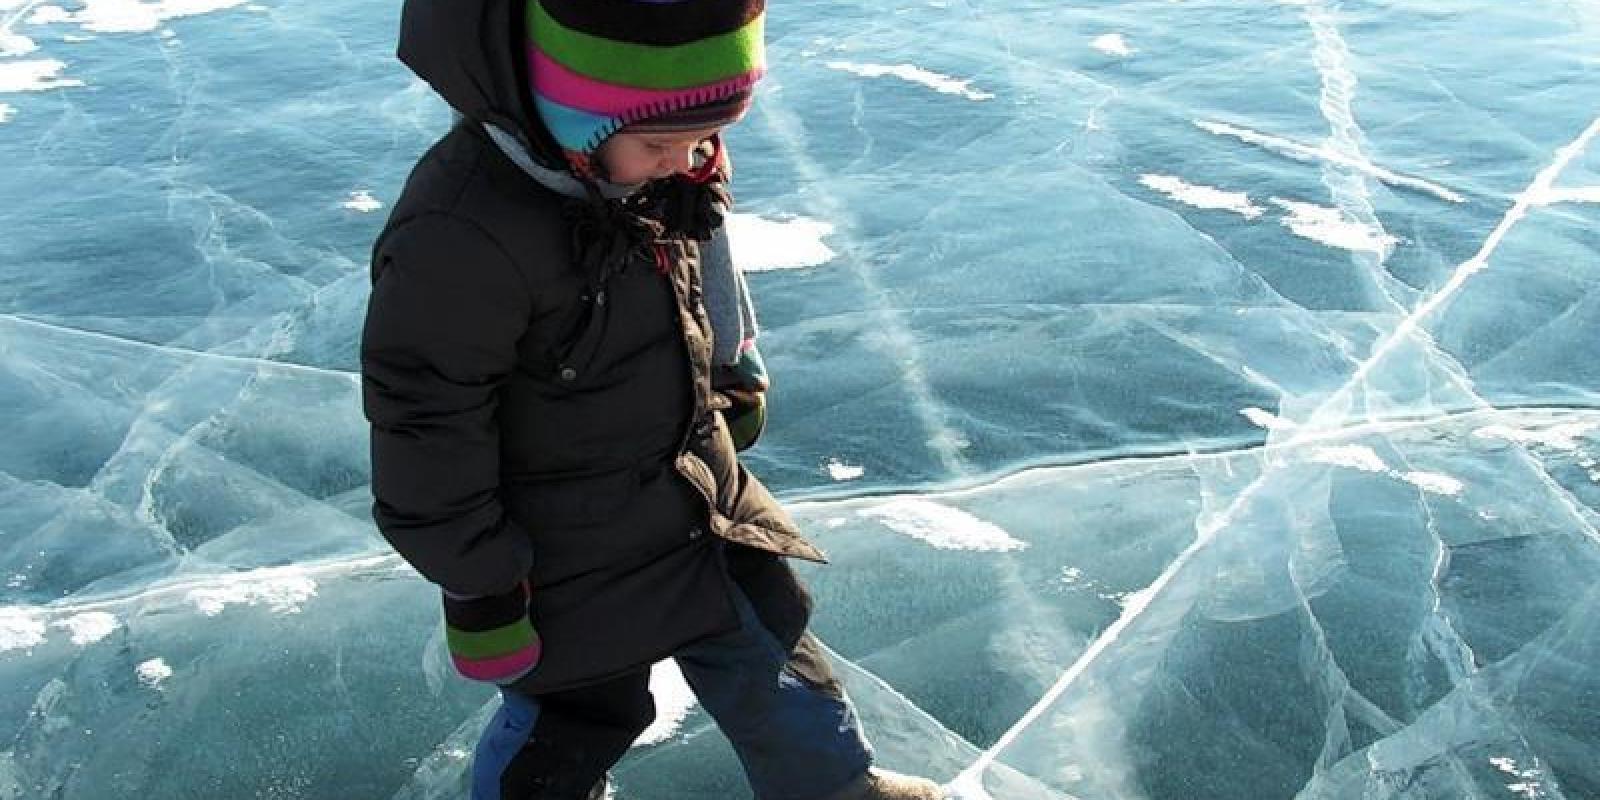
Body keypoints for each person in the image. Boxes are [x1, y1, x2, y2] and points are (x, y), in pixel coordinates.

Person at [359, 0, 945, 798]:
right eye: (659, 144)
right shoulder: (463, 233)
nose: (686, 159)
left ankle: (836, 788)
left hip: (697, 493)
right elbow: (425, 422)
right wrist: (483, 580)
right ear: (567, 117)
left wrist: (732, 372)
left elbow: (706, 257)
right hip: (564, 548)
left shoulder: (674, 156)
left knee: (771, 645)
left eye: (703, 136)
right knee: (580, 712)